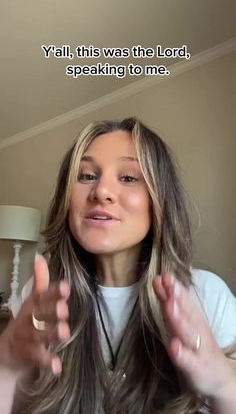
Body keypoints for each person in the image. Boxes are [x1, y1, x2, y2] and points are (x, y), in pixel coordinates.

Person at [0, 117, 236, 414]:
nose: (101, 192)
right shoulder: (42, 296)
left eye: (128, 178)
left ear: (159, 200)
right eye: (86, 176)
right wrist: (6, 364)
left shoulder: (207, 296)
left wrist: (223, 386)